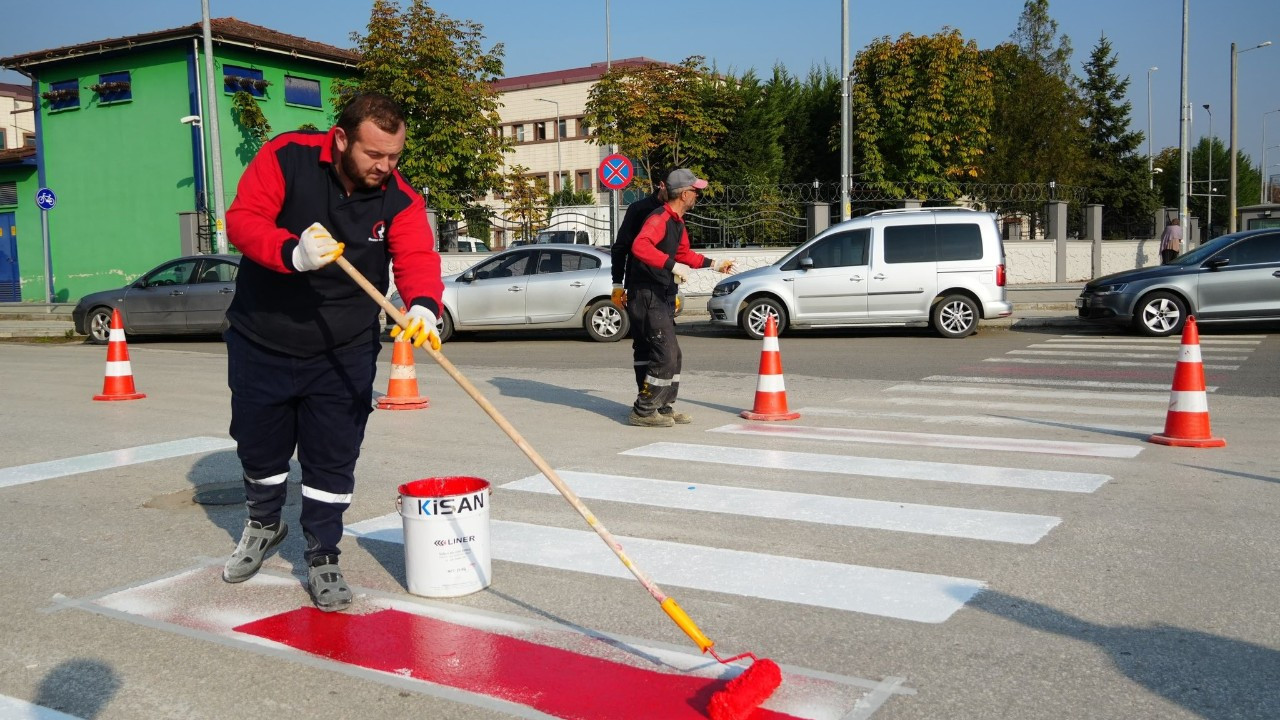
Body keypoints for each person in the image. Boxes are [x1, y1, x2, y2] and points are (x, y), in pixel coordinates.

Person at [221, 93, 443, 612]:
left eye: (395, 156)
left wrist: (425, 306)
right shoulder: (286, 156)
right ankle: (263, 523)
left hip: (343, 347)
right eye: (374, 156)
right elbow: (244, 218)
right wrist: (290, 252)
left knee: (332, 456)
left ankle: (322, 554)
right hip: (263, 337)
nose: (385, 168)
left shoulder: (400, 198)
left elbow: (415, 254)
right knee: (259, 448)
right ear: (342, 139)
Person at [626, 168, 734, 427]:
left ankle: (663, 406)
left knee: (673, 354)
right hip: (647, 293)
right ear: (684, 194)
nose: (697, 195)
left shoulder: (677, 221)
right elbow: (639, 246)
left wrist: (714, 263)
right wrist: (671, 266)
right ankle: (643, 411)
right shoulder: (660, 218)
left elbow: (684, 253)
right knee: (664, 352)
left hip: (659, 292)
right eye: (695, 191)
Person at [611, 172, 668, 391]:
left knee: (666, 348)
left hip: (665, 288)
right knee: (645, 345)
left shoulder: (676, 214)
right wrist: (617, 283)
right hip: (640, 286)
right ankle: (645, 398)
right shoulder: (639, 210)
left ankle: (662, 402)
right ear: (662, 185)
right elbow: (620, 248)